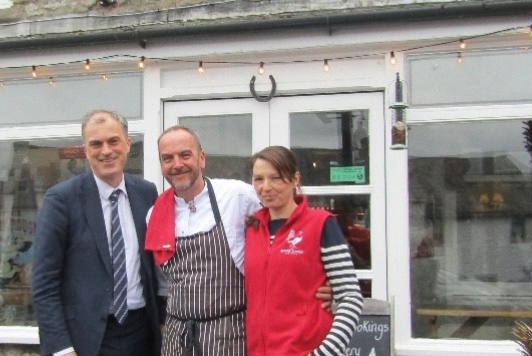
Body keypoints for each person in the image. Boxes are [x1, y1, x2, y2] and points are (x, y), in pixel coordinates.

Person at [145, 126, 334, 356]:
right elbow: (162, 282)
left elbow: (291, 231)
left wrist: (324, 278)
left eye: (185, 155)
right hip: (178, 338)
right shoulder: (155, 214)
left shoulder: (237, 196)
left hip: (229, 334)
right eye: (167, 158)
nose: (177, 164)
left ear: (202, 158)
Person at [32, 110, 164, 356]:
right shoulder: (61, 200)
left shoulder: (147, 193)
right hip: (87, 339)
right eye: (96, 144)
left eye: (113, 141)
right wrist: (61, 348)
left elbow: (153, 267)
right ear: (85, 150)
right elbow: (44, 283)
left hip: (142, 333)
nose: (106, 151)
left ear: (127, 144)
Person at [245, 146, 363, 356]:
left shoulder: (321, 224)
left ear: (295, 179)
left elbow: (351, 299)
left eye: (276, 178)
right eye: (258, 179)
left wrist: (324, 353)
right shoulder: (252, 230)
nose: (266, 187)